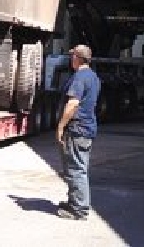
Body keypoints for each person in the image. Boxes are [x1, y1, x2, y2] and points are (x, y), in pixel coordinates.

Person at [55, 44, 101, 220]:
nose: (70, 58)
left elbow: (73, 104)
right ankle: (74, 201)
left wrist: (60, 126)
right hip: (87, 127)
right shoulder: (93, 77)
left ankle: (79, 210)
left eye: (72, 55)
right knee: (75, 167)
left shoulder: (80, 77)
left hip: (78, 129)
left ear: (77, 58)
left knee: (76, 169)